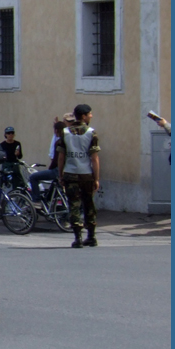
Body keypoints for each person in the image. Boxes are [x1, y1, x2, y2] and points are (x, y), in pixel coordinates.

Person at [58, 104, 100, 248]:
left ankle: (78, 238)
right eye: (89, 114)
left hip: (70, 173)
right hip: (86, 174)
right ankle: (92, 236)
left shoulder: (65, 132)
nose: (91, 116)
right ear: (83, 116)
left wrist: (60, 174)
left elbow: (61, 156)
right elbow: (94, 158)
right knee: (89, 204)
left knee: (74, 205)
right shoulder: (91, 133)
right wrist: (97, 178)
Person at [29, 119, 65, 205]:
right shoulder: (70, 141)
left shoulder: (59, 142)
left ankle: (37, 201)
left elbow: (57, 160)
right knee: (53, 185)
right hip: (68, 170)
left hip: (58, 171)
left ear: (56, 130)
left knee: (33, 177)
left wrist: (50, 169)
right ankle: (49, 200)